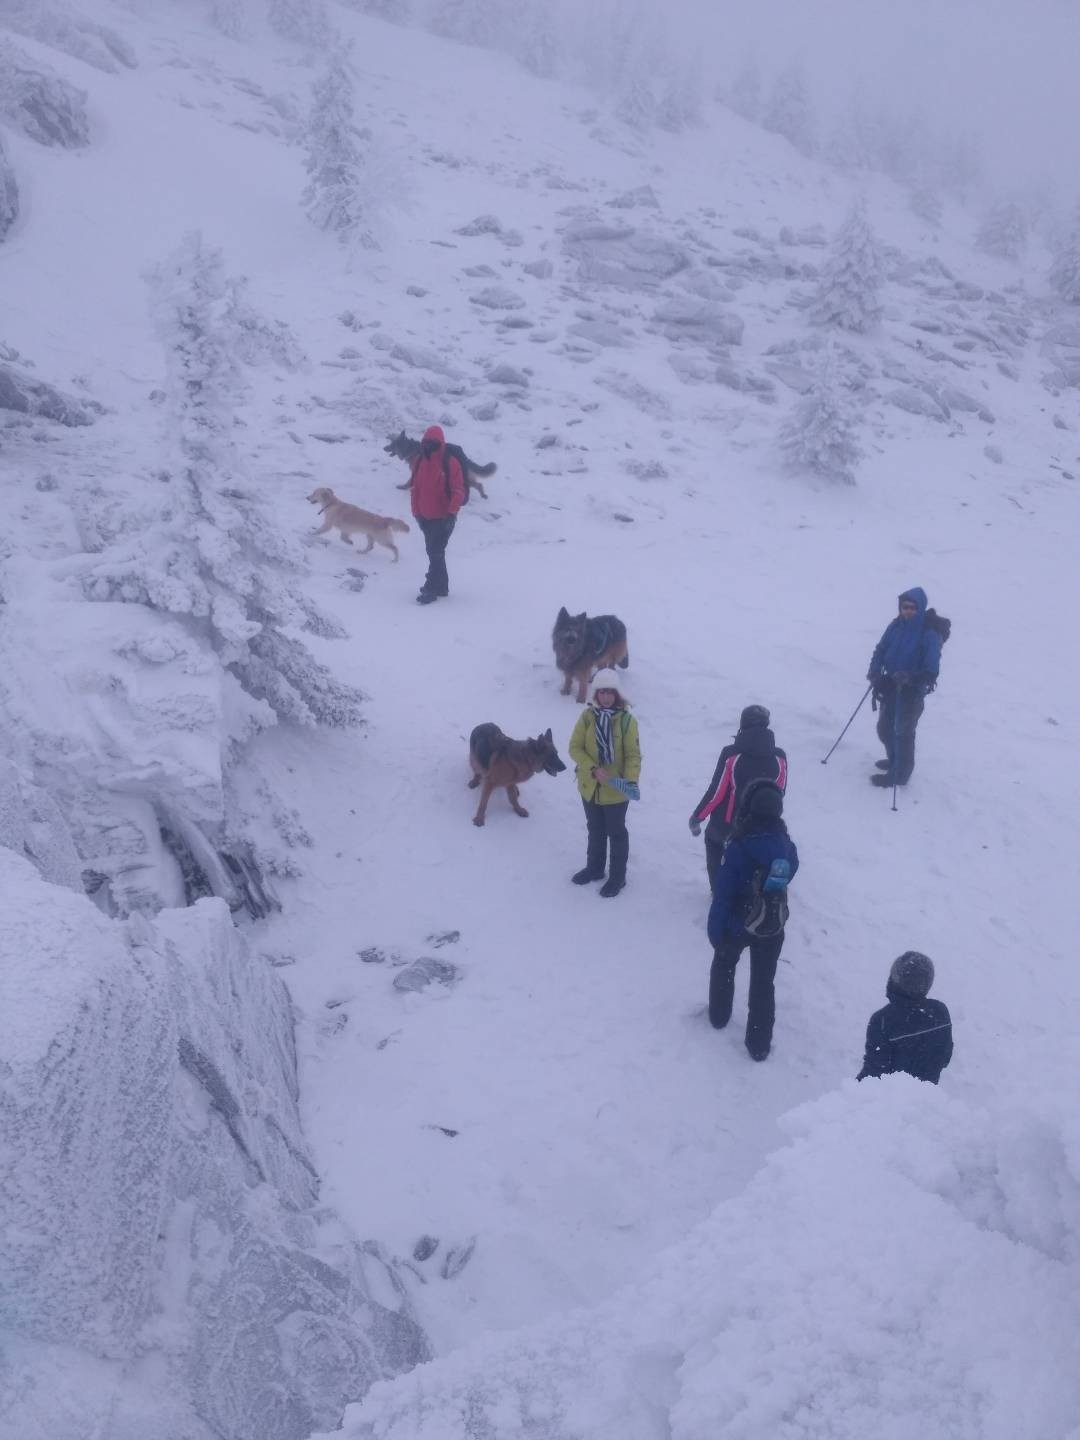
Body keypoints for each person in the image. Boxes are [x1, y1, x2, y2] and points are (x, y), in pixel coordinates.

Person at [706, 780, 799, 1061]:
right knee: (763, 982)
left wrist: (715, 931)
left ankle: (719, 1016)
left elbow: (723, 893)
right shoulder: (786, 845)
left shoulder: (739, 846)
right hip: (772, 923)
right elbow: (790, 871)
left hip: (737, 923)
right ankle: (759, 1044)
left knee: (724, 966)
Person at [689, 705, 788, 892]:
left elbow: (716, 793)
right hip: (761, 825)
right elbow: (779, 793)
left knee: (714, 844)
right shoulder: (779, 757)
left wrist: (697, 817)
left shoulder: (731, 754)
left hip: (727, 824)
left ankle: (719, 891)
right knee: (751, 856)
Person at [568, 668, 641, 899]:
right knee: (595, 828)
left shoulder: (627, 721)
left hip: (616, 791)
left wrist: (629, 781)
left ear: (617, 694)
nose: (606, 697)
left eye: (610, 692)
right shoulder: (587, 717)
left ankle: (618, 877)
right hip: (590, 787)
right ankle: (595, 868)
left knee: (616, 832)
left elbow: (633, 755)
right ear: (596, 694)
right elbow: (575, 748)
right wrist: (592, 768)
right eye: (602, 692)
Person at [866, 586, 943, 787]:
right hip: (890, 686)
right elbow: (880, 650)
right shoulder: (896, 625)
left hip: (911, 692)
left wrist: (909, 678)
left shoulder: (929, 634)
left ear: (920, 609)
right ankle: (894, 761)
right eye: (904, 607)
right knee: (884, 729)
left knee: (902, 732)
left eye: (912, 608)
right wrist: (875, 672)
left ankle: (900, 774)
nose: (907, 611)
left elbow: (931, 670)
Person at [857, 952, 953, 1083]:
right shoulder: (939, 1011)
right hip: (928, 1095)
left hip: (891, 1098)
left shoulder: (882, 1020)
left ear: (896, 980)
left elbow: (874, 1072)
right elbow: (945, 1057)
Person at [409, 424, 465, 605]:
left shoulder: (450, 462)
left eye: (433, 442)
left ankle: (431, 588)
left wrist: (451, 514)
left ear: (440, 443)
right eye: (426, 442)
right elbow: (415, 489)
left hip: (443, 517)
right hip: (424, 516)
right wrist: (416, 512)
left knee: (435, 551)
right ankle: (442, 586)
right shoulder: (419, 461)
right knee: (434, 552)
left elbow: (458, 491)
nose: (428, 445)